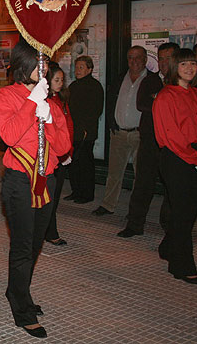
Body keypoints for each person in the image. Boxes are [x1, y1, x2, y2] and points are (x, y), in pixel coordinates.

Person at [0, 40, 71, 339]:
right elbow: (10, 135)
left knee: (36, 242)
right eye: (41, 67)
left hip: (47, 179)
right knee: (23, 245)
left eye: (47, 67)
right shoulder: (7, 95)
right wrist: (31, 103)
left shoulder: (51, 102)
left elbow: (64, 148)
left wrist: (50, 118)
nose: (46, 72)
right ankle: (21, 308)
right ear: (26, 68)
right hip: (20, 181)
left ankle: (16, 289)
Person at [118, 43, 177, 238]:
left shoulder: (181, 82)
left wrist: (158, 99)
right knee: (142, 183)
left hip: (173, 143)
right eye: (160, 58)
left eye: (168, 58)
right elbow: (142, 104)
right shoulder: (150, 80)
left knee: (172, 186)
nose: (163, 62)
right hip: (151, 139)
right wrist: (161, 100)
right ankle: (135, 224)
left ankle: (169, 226)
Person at [152, 48, 197, 285]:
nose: (189, 68)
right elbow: (169, 135)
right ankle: (181, 264)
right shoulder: (166, 96)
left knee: (187, 211)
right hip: (177, 158)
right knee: (183, 212)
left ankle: (169, 246)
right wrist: (193, 154)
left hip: (193, 156)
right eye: (184, 65)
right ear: (174, 68)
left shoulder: (196, 94)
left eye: (193, 64)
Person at [93, 46, 147, 216]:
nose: (134, 61)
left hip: (140, 134)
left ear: (145, 59)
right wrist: (112, 124)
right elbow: (110, 103)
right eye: (130, 57)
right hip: (119, 133)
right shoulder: (120, 79)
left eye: (138, 57)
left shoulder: (151, 80)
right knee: (114, 173)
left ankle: (137, 210)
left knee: (141, 175)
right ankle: (108, 205)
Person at [66, 56, 104, 204]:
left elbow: (96, 111)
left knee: (85, 164)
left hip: (86, 133)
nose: (78, 70)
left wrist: (85, 129)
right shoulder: (74, 86)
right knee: (74, 163)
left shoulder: (95, 86)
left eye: (81, 67)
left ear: (89, 69)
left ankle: (87, 194)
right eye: (76, 67)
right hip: (73, 132)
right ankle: (76, 191)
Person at [44, 63, 73, 246]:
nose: (60, 83)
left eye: (62, 80)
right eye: (56, 80)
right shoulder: (46, 102)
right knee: (49, 196)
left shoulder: (61, 100)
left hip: (63, 153)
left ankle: (49, 229)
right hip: (52, 156)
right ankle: (49, 230)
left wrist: (68, 151)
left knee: (54, 196)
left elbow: (67, 127)